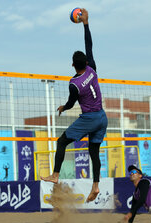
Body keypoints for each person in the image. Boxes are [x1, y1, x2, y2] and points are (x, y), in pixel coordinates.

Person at [41, 8, 108, 203]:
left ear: (72, 66)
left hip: (89, 118)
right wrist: (86, 24)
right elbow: (89, 44)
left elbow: (71, 104)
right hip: (102, 117)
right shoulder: (92, 69)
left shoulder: (74, 84)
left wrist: (63, 107)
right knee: (93, 151)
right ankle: (95, 186)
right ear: (86, 62)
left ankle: (55, 174)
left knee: (61, 142)